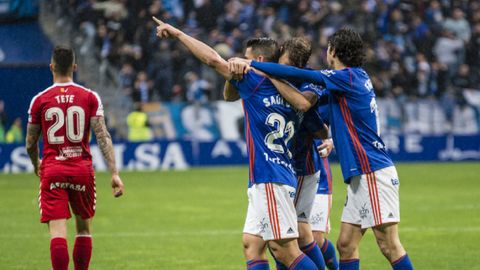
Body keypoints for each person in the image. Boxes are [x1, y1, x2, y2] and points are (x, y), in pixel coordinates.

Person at [230, 28, 414, 270]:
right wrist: (330, 138)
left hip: (372, 170)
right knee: (346, 244)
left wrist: (256, 66)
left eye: (328, 48)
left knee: (389, 244)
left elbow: (299, 78)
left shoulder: (346, 77)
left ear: (333, 51)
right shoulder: (353, 79)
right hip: (362, 173)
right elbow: (339, 118)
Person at [153, 17, 320, 269]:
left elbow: (211, 59)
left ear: (259, 61)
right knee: (252, 245)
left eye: (246, 56)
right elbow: (229, 94)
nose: (240, 60)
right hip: (272, 175)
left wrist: (178, 34)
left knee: (284, 250)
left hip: (270, 177)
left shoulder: (257, 81)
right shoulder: (291, 89)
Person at [26, 46, 125, 270]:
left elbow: (31, 142)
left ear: (51, 67)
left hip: (53, 171)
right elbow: (102, 136)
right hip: (82, 171)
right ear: (75, 67)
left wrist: (36, 164)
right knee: (83, 230)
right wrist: (114, 173)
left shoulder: (39, 100)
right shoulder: (90, 97)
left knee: (57, 233)